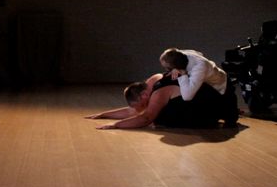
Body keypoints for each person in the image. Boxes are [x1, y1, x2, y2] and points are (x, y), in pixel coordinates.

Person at [85, 73, 225, 129]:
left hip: (207, 110)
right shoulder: (151, 84)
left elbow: (145, 118)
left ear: (143, 96)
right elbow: (133, 111)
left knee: (158, 118)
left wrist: (116, 125)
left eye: (140, 104)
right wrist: (104, 114)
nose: (138, 108)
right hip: (208, 103)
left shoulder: (158, 92)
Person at [159, 48, 238, 126]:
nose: (167, 70)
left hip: (222, 85)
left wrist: (182, 74)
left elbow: (187, 96)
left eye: (168, 68)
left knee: (231, 119)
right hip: (207, 81)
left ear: (177, 65)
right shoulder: (180, 55)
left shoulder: (199, 67)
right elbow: (199, 53)